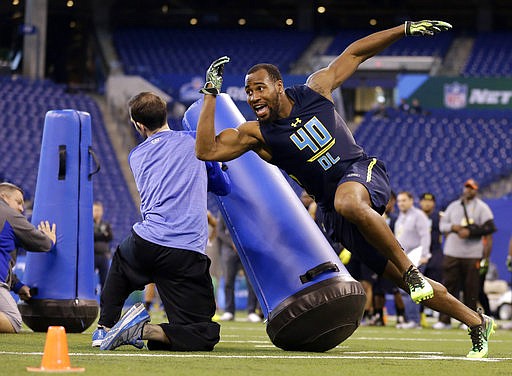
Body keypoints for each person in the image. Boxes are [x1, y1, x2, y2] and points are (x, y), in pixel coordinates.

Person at [195, 21, 497, 358]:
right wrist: (210, 94)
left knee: (350, 202)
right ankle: (476, 322)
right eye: (249, 92)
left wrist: (405, 29)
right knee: (413, 288)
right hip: (334, 211)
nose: (253, 97)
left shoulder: (315, 89)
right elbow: (206, 151)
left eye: (259, 88)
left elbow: (356, 52)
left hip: (361, 173)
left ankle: (413, 272)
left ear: (278, 86)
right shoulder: (257, 134)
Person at [94, 92, 230, 351]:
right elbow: (223, 187)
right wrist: (220, 167)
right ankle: (143, 330)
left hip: (146, 242)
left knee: (121, 262)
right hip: (185, 253)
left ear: (139, 125)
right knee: (203, 333)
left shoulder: (135, 156)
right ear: (165, 113)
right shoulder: (194, 141)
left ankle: (105, 328)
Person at [434, 179, 496, 331]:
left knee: (471, 288)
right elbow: (442, 226)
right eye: (467, 188)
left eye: (472, 188)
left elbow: (490, 228)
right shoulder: (453, 206)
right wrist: (453, 227)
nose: (469, 191)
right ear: (463, 189)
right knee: (448, 286)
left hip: (472, 254)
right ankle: (444, 320)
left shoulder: (482, 207)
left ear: (476, 190)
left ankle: (469, 320)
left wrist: (470, 231)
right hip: (452, 252)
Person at [0, 182, 56, 333]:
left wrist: (17, 286)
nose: (21, 209)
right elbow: (42, 243)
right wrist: (49, 239)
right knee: (13, 321)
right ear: (3, 197)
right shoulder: (9, 214)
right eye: (18, 202)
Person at [394, 191, 431, 329]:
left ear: (411, 201)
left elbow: (425, 236)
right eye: (399, 201)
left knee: (412, 289)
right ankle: (411, 319)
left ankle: (414, 321)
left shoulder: (418, 216)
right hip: (405, 257)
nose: (401, 203)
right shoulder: (401, 217)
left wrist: (425, 255)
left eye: (404, 200)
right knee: (405, 289)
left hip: (416, 256)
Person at [216, 216, 261, 323]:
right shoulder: (224, 207)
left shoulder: (244, 208)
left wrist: (244, 243)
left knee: (251, 281)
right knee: (228, 281)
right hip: (229, 251)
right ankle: (229, 311)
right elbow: (220, 231)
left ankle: (251, 311)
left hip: (246, 250)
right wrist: (232, 242)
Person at [93, 201, 113, 292]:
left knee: (105, 280)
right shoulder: (89, 224)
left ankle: (104, 304)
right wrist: (102, 235)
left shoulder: (106, 224)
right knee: (89, 279)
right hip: (92, 256)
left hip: (104, 256)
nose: (97, 212)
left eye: (99, 210)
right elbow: (91, 236)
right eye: (95, 210)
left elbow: (110, 237)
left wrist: (98, 235)